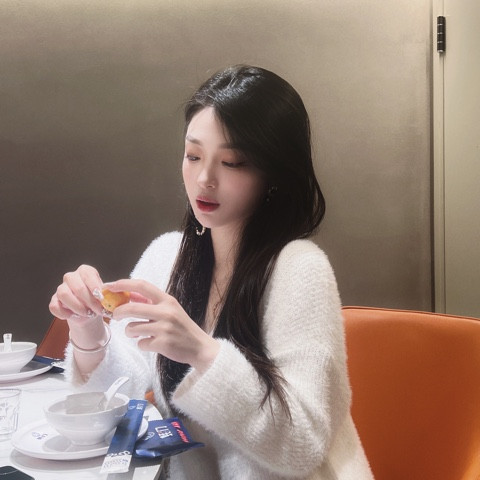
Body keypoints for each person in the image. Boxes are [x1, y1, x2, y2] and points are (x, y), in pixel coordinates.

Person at [49, 65, 374, 480]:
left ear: (273, 172)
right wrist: (87, 329)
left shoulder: (299, 268)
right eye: (193, 155)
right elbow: (114, 393)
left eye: (232, 162)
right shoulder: (167, 255)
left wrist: (202, 352)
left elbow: (302, 446)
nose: (205, 178)